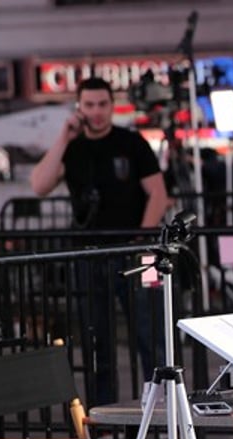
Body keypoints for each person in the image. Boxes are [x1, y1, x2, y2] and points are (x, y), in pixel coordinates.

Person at [30, 75, 169, 406]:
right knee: (97, 339)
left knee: (151, 335)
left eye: (102, 104)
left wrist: (141, 241)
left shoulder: (132, 142)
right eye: (89, 105)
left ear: (112, 105)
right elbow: (39, 185)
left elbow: (159, 196)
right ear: (79, 107)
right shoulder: (73, 148)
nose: (96, 112)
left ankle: (160, 410)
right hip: (89, 254)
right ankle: (105, 412)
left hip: (140, 254)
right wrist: (63, 137)